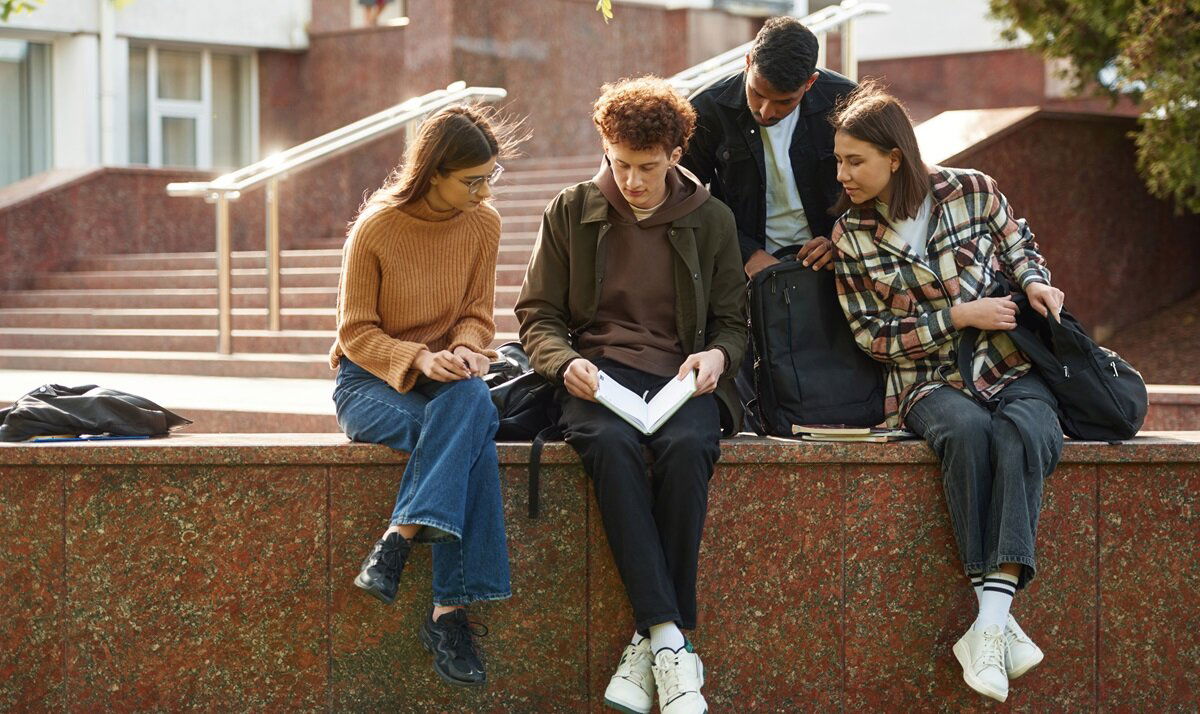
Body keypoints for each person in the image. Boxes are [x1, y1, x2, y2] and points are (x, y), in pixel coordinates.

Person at [829, 81, 1065, 703]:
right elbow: (872, 337)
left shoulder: (975, 191)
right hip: (922, 383)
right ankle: (997, 624)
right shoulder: (851, 236)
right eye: (839, 160)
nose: (843, 173)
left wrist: (1038, 286)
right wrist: (958, 318)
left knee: (1028, 431)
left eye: (854, 161)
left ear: (894, 157)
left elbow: (1021, 247)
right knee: (966, 432)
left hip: (1009, 366)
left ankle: (987, 622)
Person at [516, 76, 745, 714]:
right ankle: (672, 642)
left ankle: (650, 644)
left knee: (689, 447)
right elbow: (537, 313)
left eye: (647, 167)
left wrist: (717, 357)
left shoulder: (712, 219)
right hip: (599, 376)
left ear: (675, 155)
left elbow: (733, 321)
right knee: (608, 444)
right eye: (620, 164)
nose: (632, 181)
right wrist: (564, 365)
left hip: (679, 379)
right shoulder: (570, 210)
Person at [330, 104, 524, 687]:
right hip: (370, 384)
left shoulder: (483, 223)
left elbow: (476, 316)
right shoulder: (377, 228)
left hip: (450, 387)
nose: (483, 191)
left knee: (471, 405)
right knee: (472, 438)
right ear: (433, 171)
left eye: (489, 178)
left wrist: (466, 349)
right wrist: (416, 357)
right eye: (472, 180)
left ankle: (397, 541)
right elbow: (355, 333)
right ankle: (449, 615)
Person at [682, 16, 857, 428]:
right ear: (746, 62)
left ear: (810, 84)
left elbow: (879, 182)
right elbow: (686, 196)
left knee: (830, 361)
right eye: (757, 94)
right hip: (743, 260)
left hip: (828, 257)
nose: (765, 110)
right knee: (752, 362)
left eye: (784, 102)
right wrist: (745, 253)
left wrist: (843, 237)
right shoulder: (706, 108)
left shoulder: (846, 100)